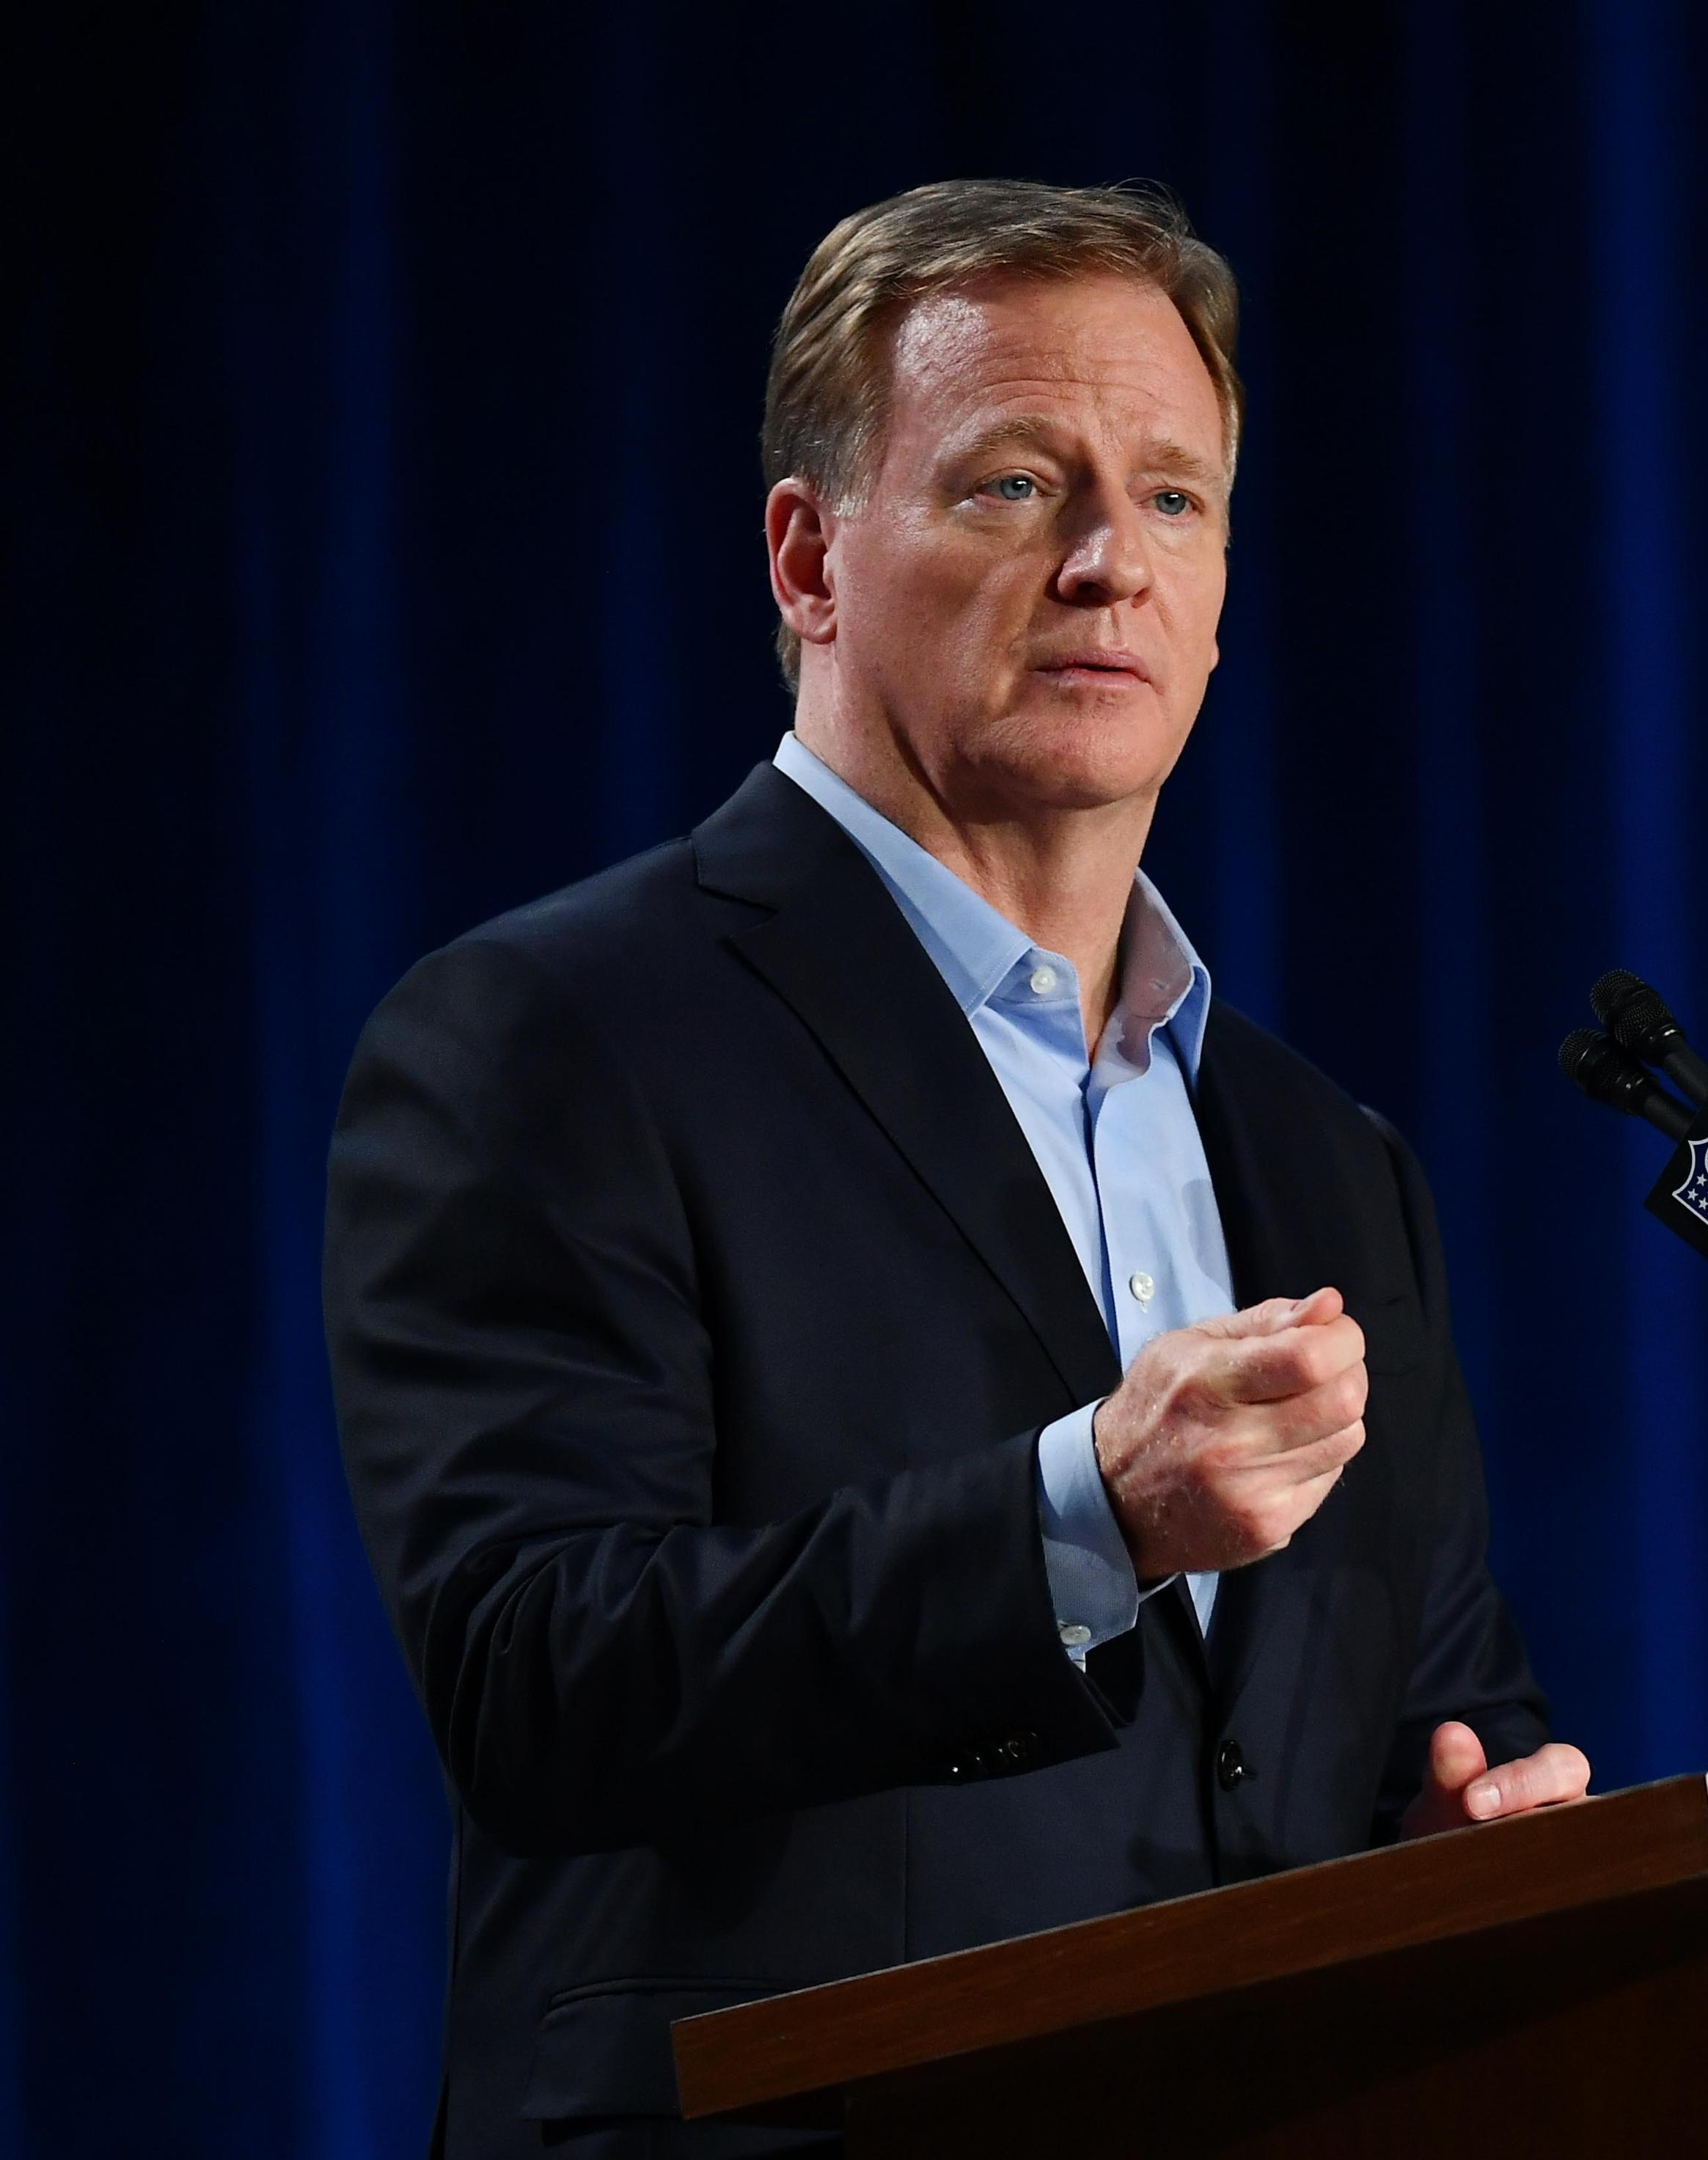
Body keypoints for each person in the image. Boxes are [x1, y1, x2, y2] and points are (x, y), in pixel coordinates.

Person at [325, 178, 1586, 2160]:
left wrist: (1461, 1830)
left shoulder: (1326, 1156)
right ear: (810, 559)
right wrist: (1081, 1512)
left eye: (1173, 497)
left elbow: (1431, 1709)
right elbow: (538, 1672)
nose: (1110, 561)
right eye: (1014, 485)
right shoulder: (555, 1035)